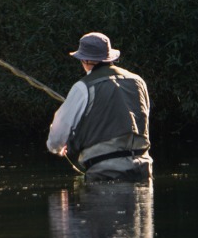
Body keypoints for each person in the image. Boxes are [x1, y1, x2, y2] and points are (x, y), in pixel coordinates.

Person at [47, 32, 152, 181]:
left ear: (85, 59)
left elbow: (58, 133)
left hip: (105, 173)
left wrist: (57, 147)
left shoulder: (82, 87)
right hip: (142, 170)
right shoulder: (138, 81)